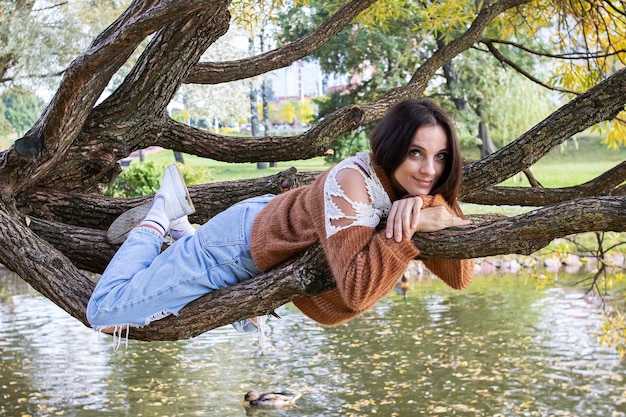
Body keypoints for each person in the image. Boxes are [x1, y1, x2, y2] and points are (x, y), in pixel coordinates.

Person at [86, 98, 474, 336]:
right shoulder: (352, 182)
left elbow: (461, 277)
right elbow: (357, 292)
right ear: (392, 148)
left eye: (440, 156)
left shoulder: (419, 194)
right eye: (415, 153)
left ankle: (181, 233)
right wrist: (407, 230)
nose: (429, 170)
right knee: (104, 311)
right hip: (232, 249)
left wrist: (427, 208)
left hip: (258, 233)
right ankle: (159, 215)